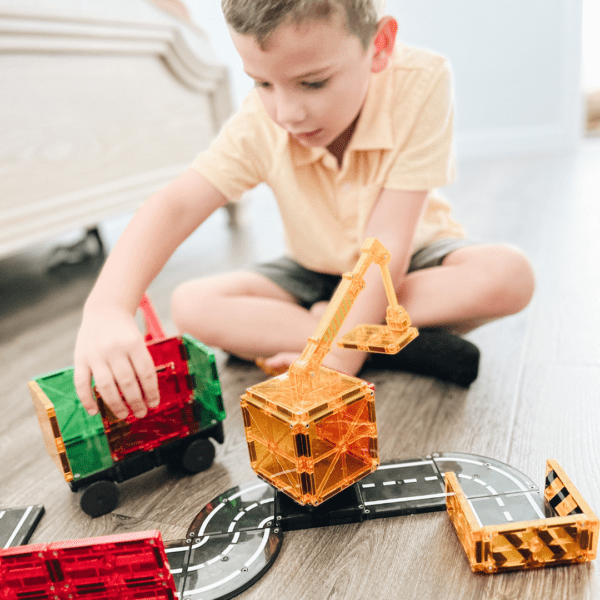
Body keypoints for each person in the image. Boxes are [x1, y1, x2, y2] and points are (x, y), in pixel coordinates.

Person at [74, 0, 535, 420]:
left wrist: (331, 367)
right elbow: (176, 204)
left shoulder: (423, 80)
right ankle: (374, 339)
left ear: (380, 45)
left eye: (312, 82)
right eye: (261, 82)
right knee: (190, 304)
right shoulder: (261, 121)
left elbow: (386, 249)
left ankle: (330, 334)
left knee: (507, 275)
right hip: (312, 268)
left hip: (409, 265)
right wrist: (107, 307)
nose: (286, 112)